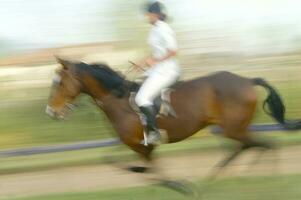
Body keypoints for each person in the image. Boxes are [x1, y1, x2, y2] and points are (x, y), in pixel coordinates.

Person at [135, 1, 181, 145]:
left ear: (155, 14)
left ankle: (155, 133)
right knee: (136, 87)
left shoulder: (164, 28)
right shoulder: (154, 29)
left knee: (141, 98)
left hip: (167, 71)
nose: (146, 17)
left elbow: (173, 51)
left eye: (148, 14)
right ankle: (161, 105)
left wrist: (155, 61)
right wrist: (142, 62)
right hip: (157, 70)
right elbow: (156, 51)